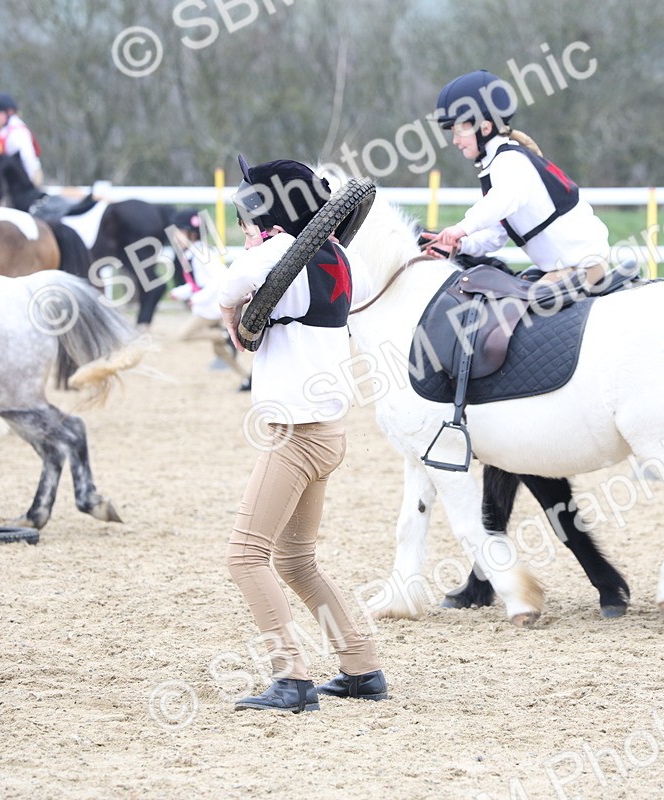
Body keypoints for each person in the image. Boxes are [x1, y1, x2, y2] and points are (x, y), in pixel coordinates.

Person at [217, 157, 386, 713]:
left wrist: (235, 312)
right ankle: (361, 666)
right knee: (295, 561)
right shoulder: (341, 255)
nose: (245, 230)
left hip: (296, 433)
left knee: (245, 556)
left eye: (248, 219)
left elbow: (225, 288)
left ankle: (290, 677)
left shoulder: (275, 255)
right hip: (330, 431)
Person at [423, 69, 615, 288]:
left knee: (524, 307)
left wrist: (461, 228)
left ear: (485, 127)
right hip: (561, 267)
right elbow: (495, 235)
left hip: (584, 265)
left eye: (459, 131)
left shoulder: (509, 161)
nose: (455, 141)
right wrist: (459, 245)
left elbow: (503, 200)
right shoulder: (499, 166)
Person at [0, 92, 44, 212]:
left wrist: (31, 190)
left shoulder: (17, 133)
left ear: (9, 112)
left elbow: (28, 161)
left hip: (22, 188)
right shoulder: (5, 132)